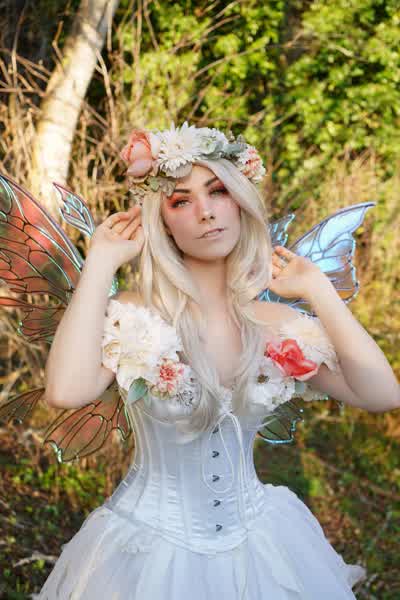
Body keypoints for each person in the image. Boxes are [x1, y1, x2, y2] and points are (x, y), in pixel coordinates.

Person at [37, 122, 400, 599]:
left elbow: (382, 394)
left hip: (261, 541)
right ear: (162, 221)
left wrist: (319, 291)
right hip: (147, 549)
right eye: (181, 201)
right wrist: (100, 263)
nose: (205, 212)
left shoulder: (278, 325)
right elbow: (65, 391)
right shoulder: (136, 316)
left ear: (241, 201)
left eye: (218, 191)